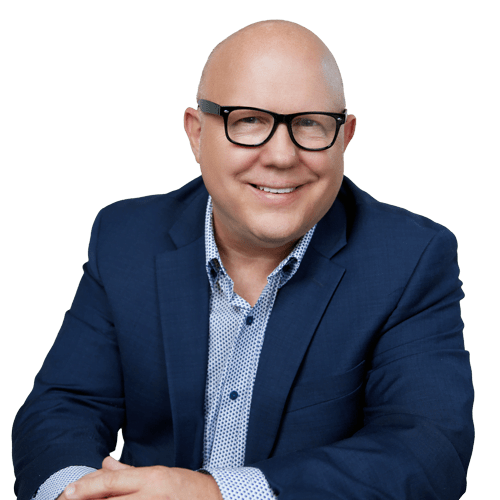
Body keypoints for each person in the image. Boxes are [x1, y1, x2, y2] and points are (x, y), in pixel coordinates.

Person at [12, 19, 474, 500]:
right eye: (248, 120)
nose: (281, 155)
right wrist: (76, 494)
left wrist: (215, 494)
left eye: (310, 123)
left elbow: (427, 452)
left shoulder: (410, 260)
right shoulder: (126, 237)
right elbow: (64, 407)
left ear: (345, 137)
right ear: (196, 133)